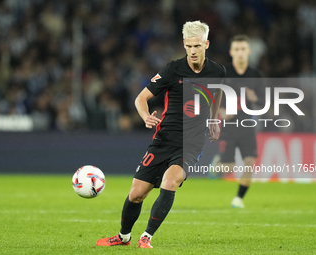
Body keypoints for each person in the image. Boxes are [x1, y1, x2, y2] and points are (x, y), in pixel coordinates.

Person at [96, 20, 226, 249]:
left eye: (197, 46)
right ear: (183, 45)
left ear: (206, 44)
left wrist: (214, 120)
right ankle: (123, 237)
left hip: (191, 143)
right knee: (136, 194)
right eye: (188, 46)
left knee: (170, 180)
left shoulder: (218, 72)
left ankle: (146, 237)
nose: (192, 51)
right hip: (164, 139)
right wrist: (145, 116)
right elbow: (140, 99)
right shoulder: (172, 70)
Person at [212, 35, 264, 208]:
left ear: (248, 51)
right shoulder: (223, 73)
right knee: (229, 168)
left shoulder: (255, 75)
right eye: (237, 49)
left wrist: (254, 97)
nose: (240, 53)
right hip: (227, 126)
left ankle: (239, 198)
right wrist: (220, 110)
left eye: (243, 49)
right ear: (231, 52)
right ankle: (219, 163)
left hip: (247, 125)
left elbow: (264, 103)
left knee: (250, 162)